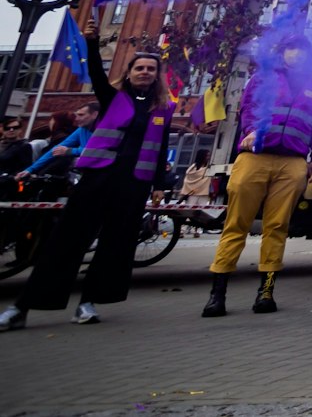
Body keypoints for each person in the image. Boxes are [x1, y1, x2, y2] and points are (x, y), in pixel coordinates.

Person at [1, 21, 176, 331]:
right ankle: (22, 306)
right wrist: (93, 43)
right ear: (130, 72)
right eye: (140, 68)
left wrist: (160, 186)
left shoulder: (162, 109)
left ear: (156, 75)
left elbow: (160, 148)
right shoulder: (112, 99)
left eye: (151, 69)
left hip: (134, 184)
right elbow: (95, 72)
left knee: (116, 245)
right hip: (98, 179)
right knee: (67, 240)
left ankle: (87, 303)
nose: (145, 72)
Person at [202, 33, 312, 317]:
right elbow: (248, 107)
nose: (296, 54)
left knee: (277, 228)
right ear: (283, 52)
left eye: (301, 50)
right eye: (291, 49)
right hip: (254, 158)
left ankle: (266, 293)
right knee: (236, 224)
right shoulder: (265, 77)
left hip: (293, 163)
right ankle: (217, 295)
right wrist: (250, 132)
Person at [17, 103, 99, 179]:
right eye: (76, 115)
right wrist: (30, 169)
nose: (76, 119)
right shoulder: (82, 129)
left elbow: (100, 151)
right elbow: (56, 150)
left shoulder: (107, 130)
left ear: (95, 115)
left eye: (81, 115)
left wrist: (70, 151)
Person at [178, 151, 213, 237]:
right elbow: (188, 177)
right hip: (193, 193)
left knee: (201, 212)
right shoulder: (193, 168)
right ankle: (182, 230)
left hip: (204, 193)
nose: (208, 157)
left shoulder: (209, 167)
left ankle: (197, 230)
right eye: (207, 155)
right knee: (188, 211)